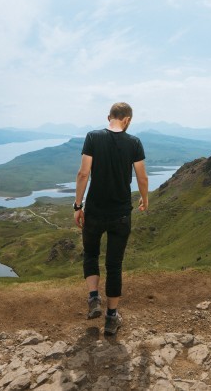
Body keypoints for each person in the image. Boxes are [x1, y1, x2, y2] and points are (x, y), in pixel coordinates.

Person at [74, 102, 149, 336]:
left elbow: (83, 173)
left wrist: (78, 205)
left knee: (91, 254)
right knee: (114, 265)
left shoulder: (92, 137)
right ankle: (111, 318)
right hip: (121, 213)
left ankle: (94, 298)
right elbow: (142, 177)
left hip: (95, 210)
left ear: (109, 117)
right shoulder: (134, 142)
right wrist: (145, 199)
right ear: (127, 120)